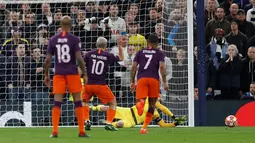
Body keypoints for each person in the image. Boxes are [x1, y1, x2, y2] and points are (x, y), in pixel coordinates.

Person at [44, 16, 89, 138]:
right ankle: (81, 131)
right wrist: (84, 73)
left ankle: (54, 132)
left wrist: (46, 74)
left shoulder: (53, 39)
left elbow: (48, 60)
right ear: (70, 26)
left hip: (59, 74)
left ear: (60, 24)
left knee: (57, 102)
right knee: (78, 101)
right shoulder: (74, 39)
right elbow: (79, 58)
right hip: (72, 73)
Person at [82, 36, 124, 131]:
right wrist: (120, 45)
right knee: (113, 103)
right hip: (100, 85)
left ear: (96, 44)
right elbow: (121, 58)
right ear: (105, 46)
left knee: (84, 102)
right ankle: (109, 123)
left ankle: (87, 120)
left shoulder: (89, 54)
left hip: (88, 85)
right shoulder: (107, 55)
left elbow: (81, 65)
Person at [130, 34, 168, 134]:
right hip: (154, 80)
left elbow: (134, 67)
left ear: (147, 42)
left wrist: (132, 81)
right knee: (152, 105)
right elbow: (162, 68)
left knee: (139, 100)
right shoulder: (159, 53)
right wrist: (164, 82)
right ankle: (144, 128)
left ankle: (140, 104)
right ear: (157, 43)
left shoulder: (140, 52)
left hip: (142, 79)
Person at [90, 98, 186, 128]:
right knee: (110, 108)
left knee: (120, 124)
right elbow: (163, 108)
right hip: (128, 111)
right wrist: (174, 117)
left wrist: (175, 123)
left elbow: (163, 125)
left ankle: (108, 124)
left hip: (132, 122)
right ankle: (93, 108)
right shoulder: (149, 99)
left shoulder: (155, 113)